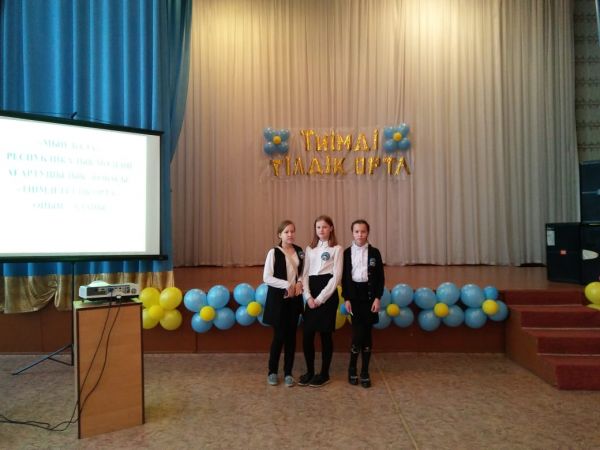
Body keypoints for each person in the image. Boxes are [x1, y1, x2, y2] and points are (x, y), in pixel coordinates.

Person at [299, 215, 343, 387]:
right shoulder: (310, 249)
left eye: (324, 227)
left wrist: (320, 299)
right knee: (307, 335)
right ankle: (310, 371)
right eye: (318, 227)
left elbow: (336, 277)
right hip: (311, 292)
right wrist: (308, 297)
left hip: (327, 295)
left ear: (331, 228)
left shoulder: (337, 249)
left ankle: (324, 374)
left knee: (325, 335)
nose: (321, 230)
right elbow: (304, 274)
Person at [341, 219, 384, 388]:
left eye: (363, 231)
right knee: (357, 333)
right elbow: (345, 278)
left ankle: (365, 370)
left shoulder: (375, 253)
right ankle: (352, 368)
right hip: (354, 297)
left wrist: (377, 298)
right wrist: (347, 298)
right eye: (357, 231)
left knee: (367, 334)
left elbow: (380, 278)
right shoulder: (346, 253)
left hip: (370, 297)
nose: (360, 235)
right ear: (352, 233)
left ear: (368, 233)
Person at [262, 220, 304, 387]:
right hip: (278, 302)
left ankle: (288, 373)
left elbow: (303, 271)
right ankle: (272, 371)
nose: (290, 234)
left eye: (292, 231)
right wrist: (286, 284)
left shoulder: (299, 251)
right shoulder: (273, 252)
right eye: (286, 232)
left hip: (293, 302)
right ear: (280, 235)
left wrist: (299, 282)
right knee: (279, 337)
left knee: (291, 338)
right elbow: (267, 277)